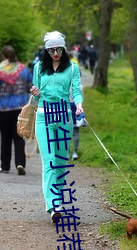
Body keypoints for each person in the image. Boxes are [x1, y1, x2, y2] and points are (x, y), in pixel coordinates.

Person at [30, 31, 83, 222]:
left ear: (64, 48)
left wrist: (78, 104)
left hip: (63, 117)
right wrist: (35, 92)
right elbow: (36, 96)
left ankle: (58, 200)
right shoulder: (38, 68)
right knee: (49, 161)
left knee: (60, 162)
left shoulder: (72, 68)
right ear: (46, 50)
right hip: (43, 117)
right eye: (51, 50)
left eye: (58, 49)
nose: (55, 53)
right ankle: (53, 204)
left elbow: (76, 90)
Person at [0, 45, 33, 175]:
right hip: (20, 109)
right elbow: (31, 87)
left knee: (5, 138)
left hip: (3, 109)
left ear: (3, 57)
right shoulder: (24, 70)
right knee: (19, 137)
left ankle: (5, 166)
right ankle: (20, 163)